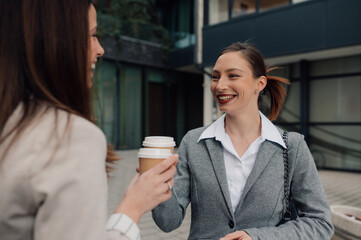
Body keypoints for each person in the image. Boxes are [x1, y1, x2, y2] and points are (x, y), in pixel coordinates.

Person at [0, 1, 177, 240]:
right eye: (92, 35)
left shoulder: (11, 121)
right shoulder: (70, 137)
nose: (100, 49)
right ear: (56, 43)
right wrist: (132, 207)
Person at [152, 42, 334, 239]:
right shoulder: (193, 142)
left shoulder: (292, 147)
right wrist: (158, 184)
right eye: (215, 77)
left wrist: (256, 237)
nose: (220, 85)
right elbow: (168, 222)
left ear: (260, 84)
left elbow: (320, 223)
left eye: (233, 75)